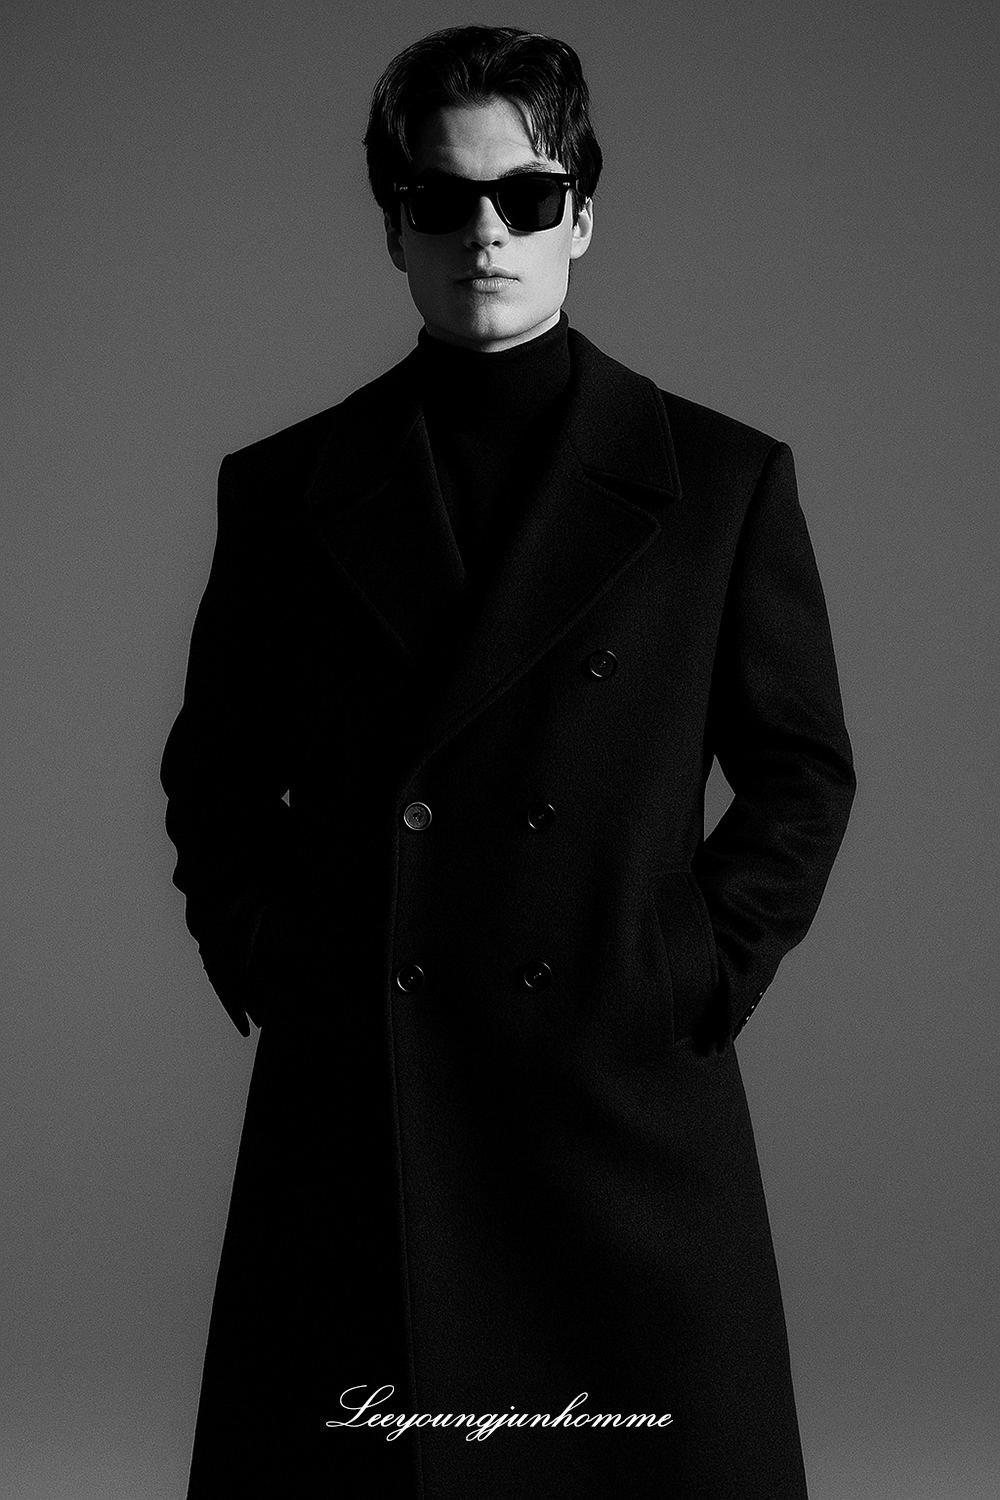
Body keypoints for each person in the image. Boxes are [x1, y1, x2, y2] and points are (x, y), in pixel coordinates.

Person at [160, 23, 856, 1499]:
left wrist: (692, 964)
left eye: (526, 197)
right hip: (370, 1100)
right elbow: (214, 773)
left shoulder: (719, 480)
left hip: (616, 1089)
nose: (486, 232)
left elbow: (802, 770)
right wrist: (280, 957)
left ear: (581, 215)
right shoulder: (284, 487)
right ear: (394, 227)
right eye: (442, 198)